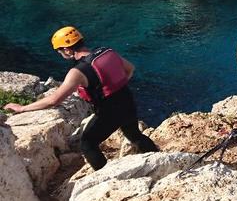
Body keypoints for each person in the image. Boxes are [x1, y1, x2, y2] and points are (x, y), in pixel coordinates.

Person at [3, 26, 159, 170]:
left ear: (67, 50)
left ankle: (106, 175)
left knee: (87, 143)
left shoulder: (77, 72)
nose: (59, 54)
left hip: (108, 111)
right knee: (134, 134)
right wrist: (114, 88)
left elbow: (54, 100)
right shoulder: (106, 51)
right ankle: (158, 158)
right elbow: (130, 69)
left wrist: (22, 108)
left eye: (59, 51)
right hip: (127, 99)